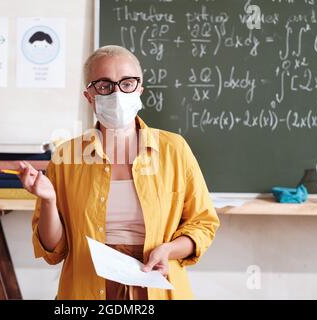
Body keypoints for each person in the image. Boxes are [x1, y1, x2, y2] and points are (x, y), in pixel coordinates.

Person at [18, 45, 220, 300]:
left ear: (140, 90)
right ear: (89, 96)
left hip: (158, 285)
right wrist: (49, 201)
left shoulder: (174, 150)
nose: (116, 93)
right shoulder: (65, 157)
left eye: (127, 83)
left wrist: (169, 250)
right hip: (87, 288)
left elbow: (203, 223)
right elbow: (54, 250)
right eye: (104, 85)